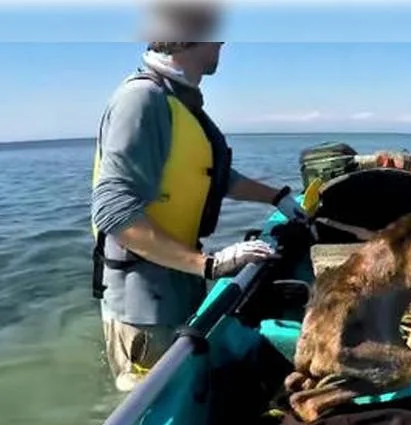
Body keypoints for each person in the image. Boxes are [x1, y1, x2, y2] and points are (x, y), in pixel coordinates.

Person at [90, 5, 309, 392]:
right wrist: (209, 264)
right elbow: (114, 211)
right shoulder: (142, 100)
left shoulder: (182, 99)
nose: (223, 42)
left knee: (189, 386)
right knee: (154, 409)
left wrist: (278, 197)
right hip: (145, 304)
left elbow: (210, 178)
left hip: (180, 280)